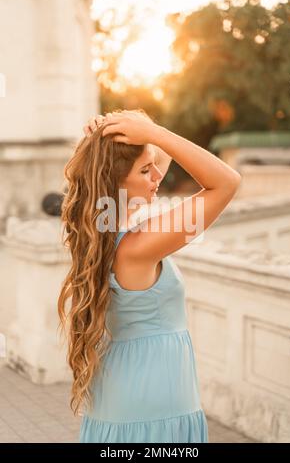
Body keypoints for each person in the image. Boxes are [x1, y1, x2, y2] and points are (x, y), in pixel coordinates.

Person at [58, 109, 241, 443]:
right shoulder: (137, 247)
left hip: (120, 399)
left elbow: (161, 155)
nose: (158, 175)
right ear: (115, 181)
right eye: (145, 169)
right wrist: (152, 133)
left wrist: (124, 127)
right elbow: (227, 182)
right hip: (153, 404)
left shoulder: (104, 231)